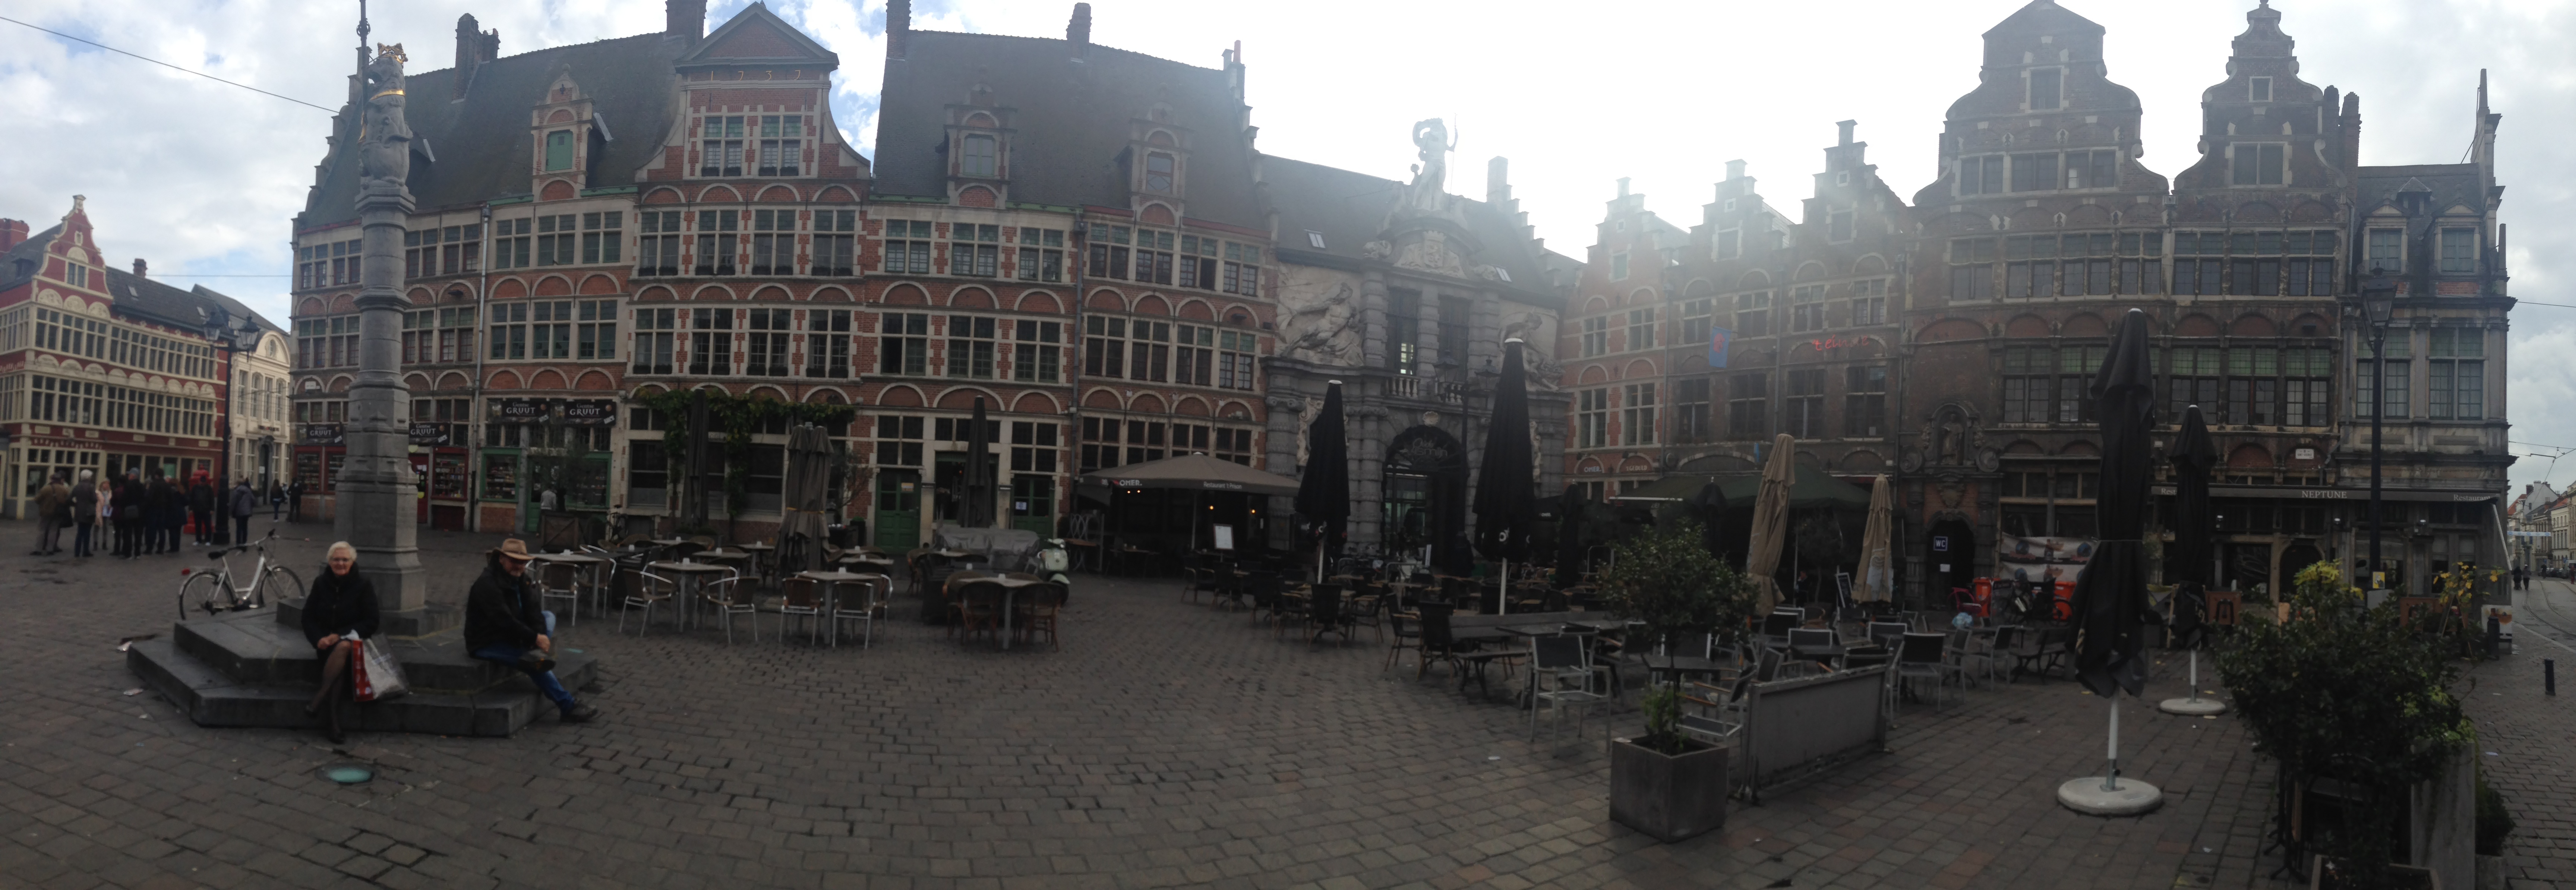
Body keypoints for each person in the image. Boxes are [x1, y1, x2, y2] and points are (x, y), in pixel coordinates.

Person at [465, 539, 599, 724]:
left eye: (522, 562)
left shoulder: (522, 579)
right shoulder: (487, 585)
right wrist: (534, 638)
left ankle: (536, 653)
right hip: (488, 641)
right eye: (514, 561)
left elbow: (534, 611)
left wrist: (538, 636)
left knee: (548, 616)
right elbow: (504, 621)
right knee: (535, 664)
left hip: (515, 634)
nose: (519, 566)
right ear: (502, 559)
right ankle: (567, 706)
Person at [301, 542, 380, 744]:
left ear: (352, 562)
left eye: (345, 560)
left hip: (355, 643)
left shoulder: (363, 584)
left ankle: (321, 701)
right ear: (329, 562)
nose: (341, 563)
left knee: (344, 647)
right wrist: (318, 639)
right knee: (338, 665)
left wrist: (340, 635)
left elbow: (372, 621)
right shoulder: (321, 583)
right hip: (326, 645)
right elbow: (308, 616)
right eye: (336, 559)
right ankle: (333, 723)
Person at [32, 472, 70, 556]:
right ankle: (50, 549)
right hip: (58, 512)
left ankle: (39, 549)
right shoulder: (64, 489)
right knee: (53, 530)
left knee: (42, 530)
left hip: (45, 512)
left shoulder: (46, 489)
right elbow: (68, 500)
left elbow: (37, 500)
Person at [110, 471, 143, 558]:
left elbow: (124, 499)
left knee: (128, 533)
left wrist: (123, 507)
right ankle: (138, 553)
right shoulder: (142, 486)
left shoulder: (128, 486)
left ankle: (128, 553)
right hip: (139, 512)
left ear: (132, 476)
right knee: (138, 533)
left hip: (129, 511)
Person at [71, 470, 99, 559]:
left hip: (79, 511)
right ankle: (85, 551)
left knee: (80, 532)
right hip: (89, 512)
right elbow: (94, 499)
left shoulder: (77, 486)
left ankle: (77, 552)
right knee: (87, 532)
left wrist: (75, 505)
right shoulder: (91, 487)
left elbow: (69, 498)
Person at [187, 472, 217, 546]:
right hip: (197, 509)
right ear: (200, 481)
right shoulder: (195, 488)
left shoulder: (209, 488)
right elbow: (192, 499)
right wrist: (191, 509)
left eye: (204, 482)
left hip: (206, 510)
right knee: (198, 526)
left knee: (208, 526)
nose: (203, 483)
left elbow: (212, 499)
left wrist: (212, 509)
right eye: (202, 482)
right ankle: (198, 540)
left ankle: (208, 540)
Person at [229, 477, 258, 546]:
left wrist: (230, 511)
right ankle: (244, 542)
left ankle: (239, 543)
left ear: (238, 484)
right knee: (245, 527)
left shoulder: (236, 491)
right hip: (247, 512)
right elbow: (253, 500)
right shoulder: (248, 491)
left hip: (239, 512)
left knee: (239, 528)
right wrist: (250, 507)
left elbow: (233, 502)